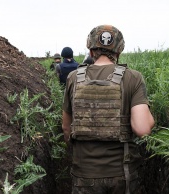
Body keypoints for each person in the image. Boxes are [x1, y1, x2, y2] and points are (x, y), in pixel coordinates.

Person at [62, 25, 155, 194]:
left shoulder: (74, 78)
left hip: (84, 174)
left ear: (90, 51)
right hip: (123, 174)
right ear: (119, 51)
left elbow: (66, 128)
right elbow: (143, 129)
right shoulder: (133, 78)